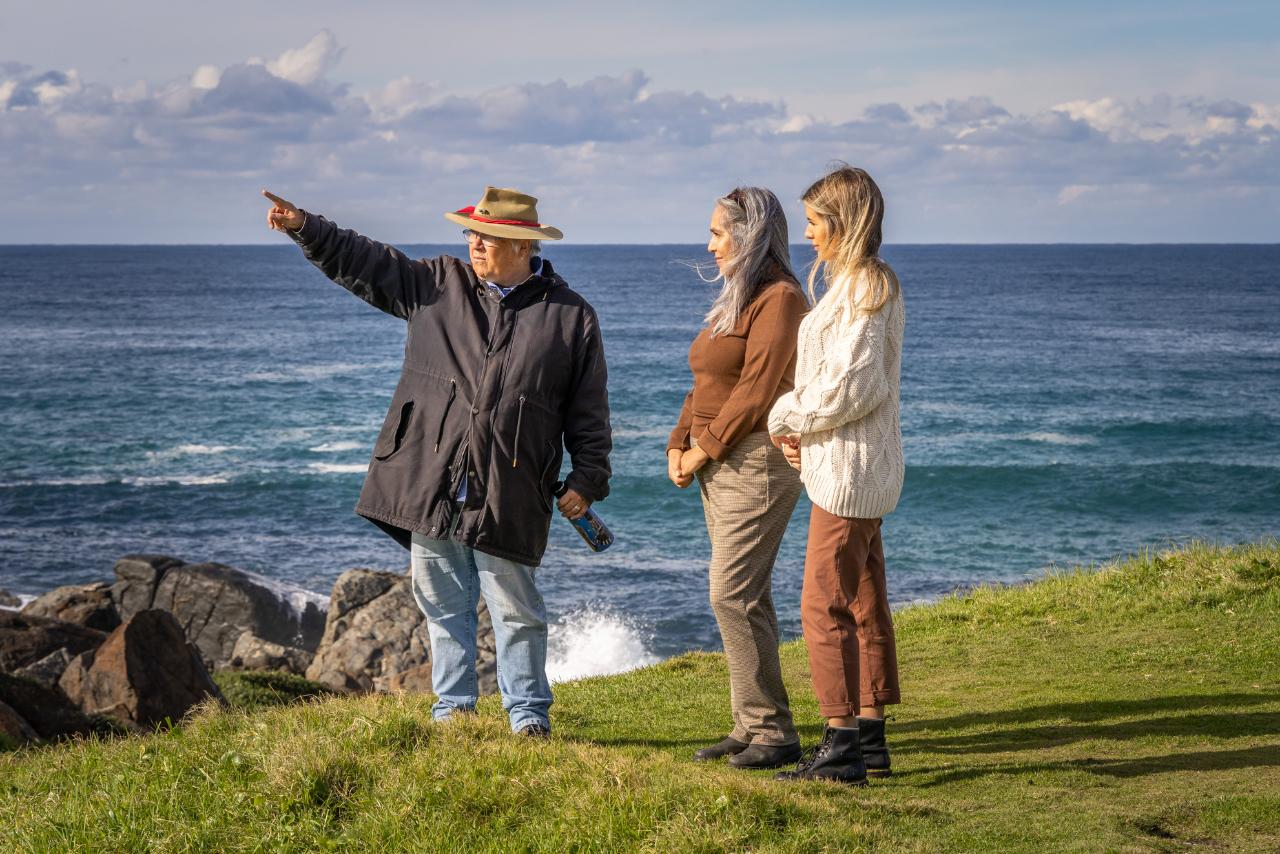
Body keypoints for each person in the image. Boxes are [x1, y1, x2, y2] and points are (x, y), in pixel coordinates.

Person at [261, 186, 612, 737]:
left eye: (487, 236)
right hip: (431, 477)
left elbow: (588, 410)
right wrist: (307, 227)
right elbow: (365, 260)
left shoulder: (570, 317)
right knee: (441, 602)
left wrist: (589, 478)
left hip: (512, 486)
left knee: (515, 608)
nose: (474, 243)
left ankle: (528, 717)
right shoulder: (436, 283)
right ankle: (454, 711)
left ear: (521, 245)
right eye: (471, 233)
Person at [768, 165, 905, 785]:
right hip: (853, 465)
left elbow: (855, 386)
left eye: (816, 223)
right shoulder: (861, 284)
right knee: (864, 596)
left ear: (844, 224)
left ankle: (841, 741)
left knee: (824, 604)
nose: (807, 235)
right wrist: (805, 436)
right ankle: (869, 734)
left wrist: (785, 414)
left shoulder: (864, 288)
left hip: (849, 475)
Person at [667, 187, 809, 769]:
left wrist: (701, 449)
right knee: (747, 596)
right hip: (722, 462)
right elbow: (707, 382)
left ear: (748, 235)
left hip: (757, 463)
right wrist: (678, 441)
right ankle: (753, 724)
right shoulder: (741, 298)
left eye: (719, 233)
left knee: (731, 592)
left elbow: (756, 389)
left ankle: (774, 733)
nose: (710, 244)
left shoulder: (781, 298)